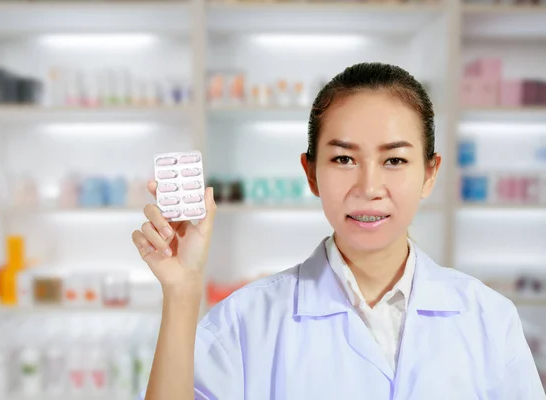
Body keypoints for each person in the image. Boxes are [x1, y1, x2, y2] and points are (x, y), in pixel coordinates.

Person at [132, 63, 546, 400]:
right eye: (344, 159)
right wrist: (182, 291)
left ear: (429, 174)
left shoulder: (490, 319)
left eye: (395, 161)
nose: (368, 188)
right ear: (311, 173)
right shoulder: (246, 321)